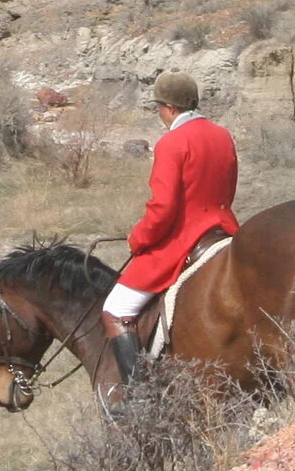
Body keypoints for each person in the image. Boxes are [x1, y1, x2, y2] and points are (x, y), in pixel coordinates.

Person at [100, 71, 240, 395]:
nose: (160, 116)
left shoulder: (171, 143)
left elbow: (163, 209)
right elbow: (227, 191)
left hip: (184, 240)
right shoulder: (222, 135)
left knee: (116, 309)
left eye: (159, 109)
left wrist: (138, 238)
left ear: (169, 108)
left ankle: (140, 396)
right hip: (225, 231)